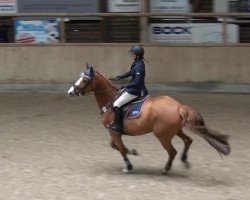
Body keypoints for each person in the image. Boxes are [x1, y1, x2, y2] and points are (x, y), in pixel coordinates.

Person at [110, 45, 148, 133]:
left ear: (137, 55)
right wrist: (121, 77)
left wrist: (126, 85)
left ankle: (119, 126)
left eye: (132, 54)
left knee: (116, 104)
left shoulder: (139, 66)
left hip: (136, 90)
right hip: (134, 88)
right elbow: (131, 72)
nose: (131, 55)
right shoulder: (137, 62)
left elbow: (137, 82)